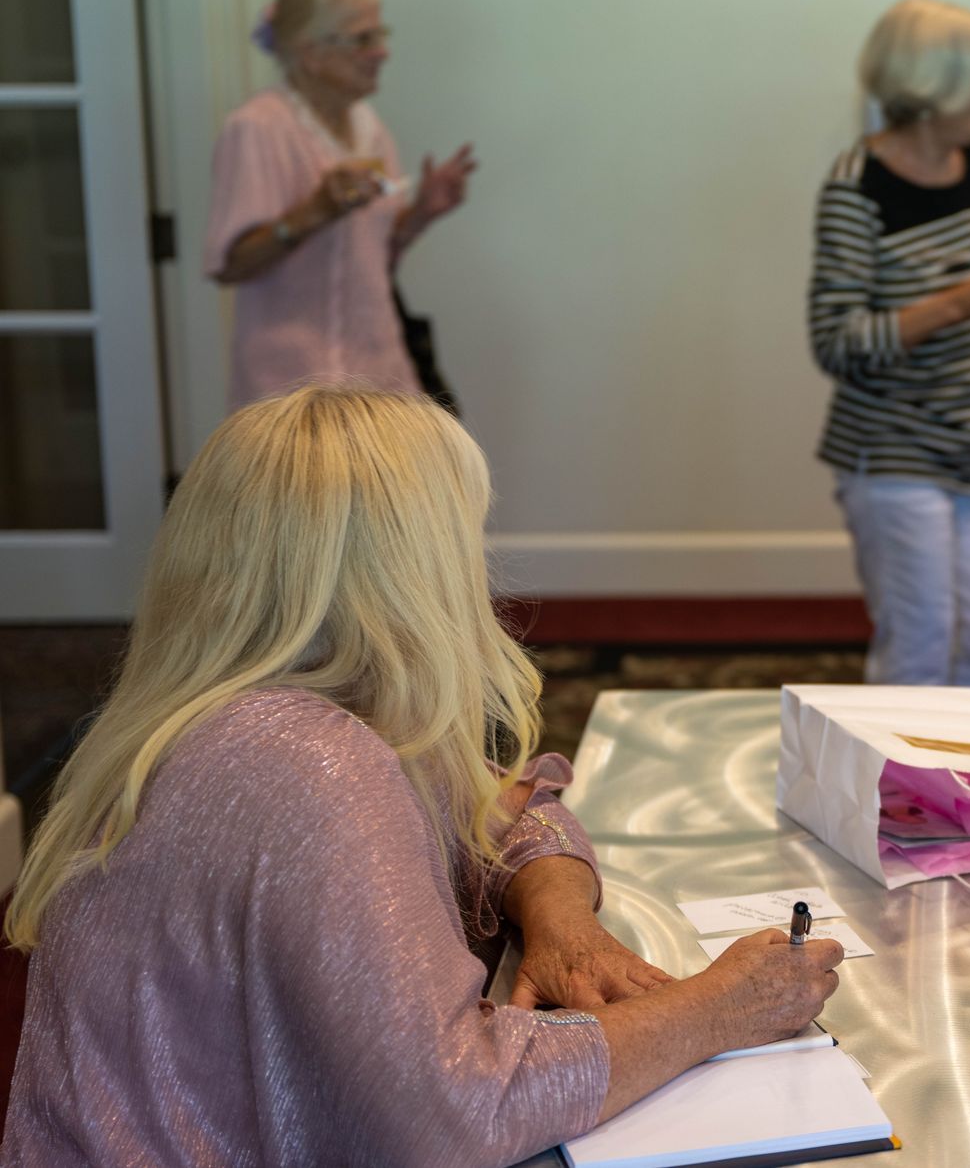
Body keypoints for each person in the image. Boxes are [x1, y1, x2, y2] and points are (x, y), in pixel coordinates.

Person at [0, 387, 843, 1168]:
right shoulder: (307, 763)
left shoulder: (221, 717)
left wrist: (557, 918)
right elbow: (457, 1111)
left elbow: (509, 803)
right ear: (404, 568)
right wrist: (717, 1008)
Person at [808, 0, 970, 686]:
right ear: (932, 82)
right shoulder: (857, 187)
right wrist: (965, 299)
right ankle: (903, 795)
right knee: (918, 655)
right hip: (893, 458)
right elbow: (835, 340)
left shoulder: (966, 161)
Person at [204, 0, 478, 410]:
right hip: (292, 392)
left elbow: (373, 263)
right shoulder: (258, 129)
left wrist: (422, 213)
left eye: (381, 35)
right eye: (363, 39)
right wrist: (314, 212)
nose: (383, 52)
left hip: (380, 377)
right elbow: (230, 265)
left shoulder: (370, 128)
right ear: (310, 52)